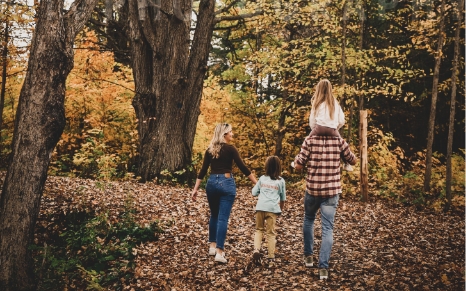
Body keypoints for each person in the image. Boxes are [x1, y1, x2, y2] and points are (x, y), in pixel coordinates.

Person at [293, 134, 357, 280]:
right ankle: (323, 269)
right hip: (331, 192)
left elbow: (298, 166)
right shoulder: (339, 141)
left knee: (309, 219)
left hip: (313, 190)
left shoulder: (309, 140)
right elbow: (353, 161)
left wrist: (298, 160)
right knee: (327, 228)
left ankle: (308, 257)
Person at [191, 123, 257, 264]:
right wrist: (257, 184)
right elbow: (243, 167)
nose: (232, 134)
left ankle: (212, 246)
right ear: (224, 134)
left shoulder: (209, 150)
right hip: (226, 183)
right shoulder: (231, 149)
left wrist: (195, 189)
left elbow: (203, 171)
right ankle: (219, 253)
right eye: (230, 132)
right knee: (222, 218)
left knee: (214, 215)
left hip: (211, 184)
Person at [308, 79, 353, 171]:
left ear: (318, 90)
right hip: (332, 129)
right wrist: (335, 127)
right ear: (330, 89)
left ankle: (300, 160)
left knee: (307, 142)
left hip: (319, 128)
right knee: (341, 144)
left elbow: (312, 120)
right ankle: (346, 163)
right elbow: (341, 120)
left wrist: (314, 130)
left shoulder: (316, 103)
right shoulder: (335, 104)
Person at [251, 156, 286, 265]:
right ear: (278, 167)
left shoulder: (262, 178)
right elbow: (283, 198)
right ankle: (271, 256)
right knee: (270, 233)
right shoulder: (281, 181)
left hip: (260, 207)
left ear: (266, 167)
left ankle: (256, 250)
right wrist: (280, 209)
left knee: (259, 230)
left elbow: (254, 192)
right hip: (272, 209)